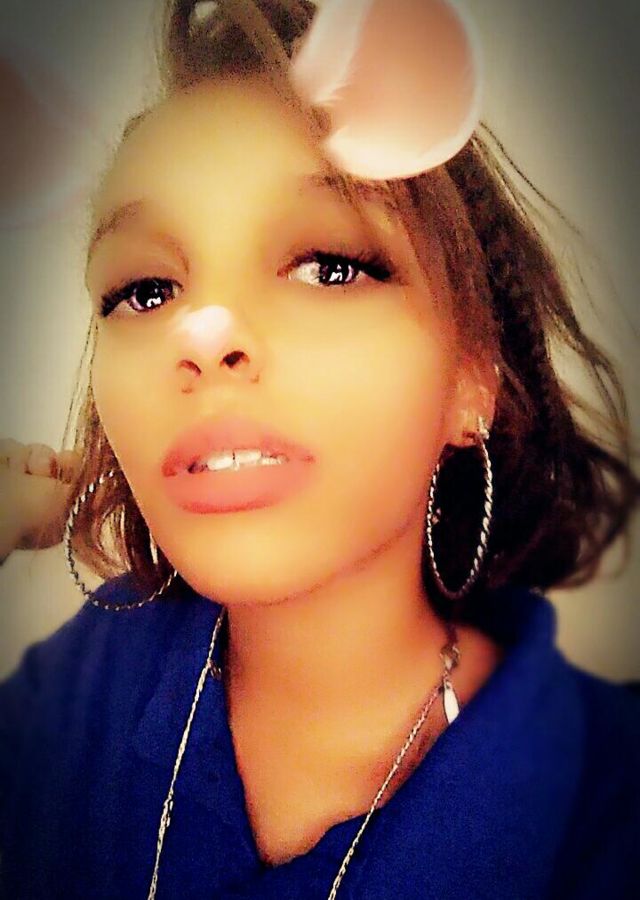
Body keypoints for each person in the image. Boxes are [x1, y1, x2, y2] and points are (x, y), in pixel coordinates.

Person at [1, 0, 639, 897]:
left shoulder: (612, 814)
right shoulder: (80, 687)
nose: (203, 336)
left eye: (329, 267)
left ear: (473, 381)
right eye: (146, 290)